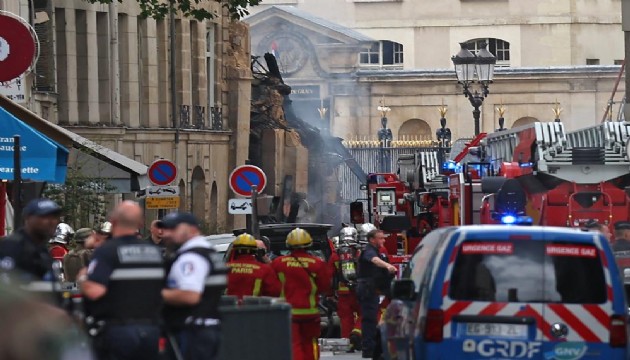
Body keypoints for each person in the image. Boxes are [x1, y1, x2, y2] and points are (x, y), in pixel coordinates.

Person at [79, 201, 163, 360]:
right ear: (141, 223)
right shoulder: (154, 252)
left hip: (118, 331)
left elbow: (94, 291)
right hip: (151, 331)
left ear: (113, 221)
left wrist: (83, 277)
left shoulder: (107, 251)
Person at [161, 212, 227, 360]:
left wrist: (155, 294)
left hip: (192, 330)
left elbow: (190, 295)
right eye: (166, 229)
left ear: (192, 230)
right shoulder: (208, 253)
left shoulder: (191, 258)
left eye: (173, 229)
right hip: (205, 328)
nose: (166, 234)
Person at [271, 228, 332, 360]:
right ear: (309, 244)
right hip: (310, 313)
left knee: (294, 344)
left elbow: (272, 287)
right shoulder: (317, 264)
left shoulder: (278, 263)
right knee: (311, 343)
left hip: (287, 313)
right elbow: (325, 287)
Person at [356, 229, 397, 359]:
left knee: (375, 317)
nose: (383, 241)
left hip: (376, 289)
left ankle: (376, 345)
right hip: (368, 289)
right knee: (369, 319)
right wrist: (388, 266)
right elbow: (374, 260)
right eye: (380, 238)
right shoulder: (369, 251)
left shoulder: (378, 252)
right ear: (372, 239)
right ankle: (368, 349)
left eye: (383, 238)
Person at [0, 198, 62, 281]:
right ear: (28, 218)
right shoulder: (12, 246)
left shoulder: (42, 250)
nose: (51, 221)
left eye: (54, 217)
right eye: (44, 216)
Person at [226, 233, 281, 301]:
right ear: (255, 250)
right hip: (254, 309)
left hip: (228, 309)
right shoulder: (264, 269)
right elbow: (275, 292)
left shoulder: (224, 269)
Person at [333, 226, 363, 351]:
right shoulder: (360, 252)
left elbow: (331, 274)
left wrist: (330, 292)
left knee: (345, 318)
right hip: (358, 290)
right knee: (364, 313)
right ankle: (357, 333)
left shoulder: (336, 255)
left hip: (343, 292)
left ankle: (347, 343)